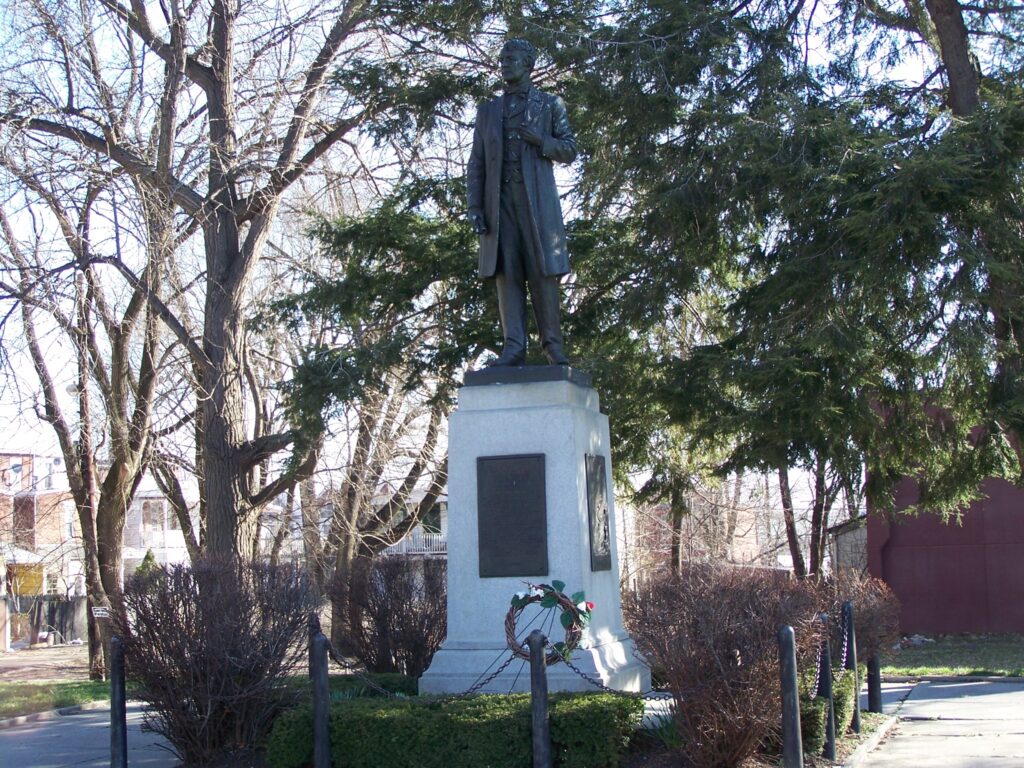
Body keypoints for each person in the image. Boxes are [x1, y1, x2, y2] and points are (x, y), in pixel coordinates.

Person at [467, 38, 577, 367]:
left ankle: (552, 345)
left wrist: (542, 141)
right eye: (502, 59)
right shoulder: (487, 112)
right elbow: (477, 163)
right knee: (507, 273)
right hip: (499, 205)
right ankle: (513, 345)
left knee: (543, 272)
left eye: (511, 59)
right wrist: (474, 207)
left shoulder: (549, 104)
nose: (504, 64)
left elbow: (569, 149)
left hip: (537, 205)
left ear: (527, 64)